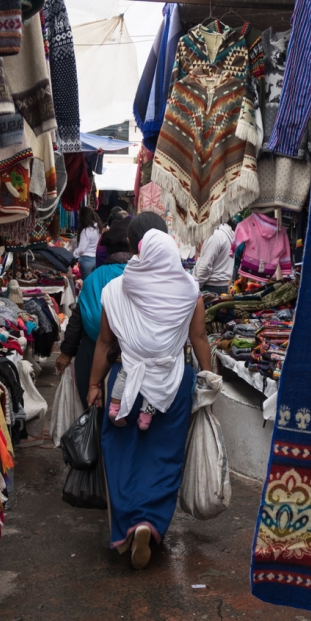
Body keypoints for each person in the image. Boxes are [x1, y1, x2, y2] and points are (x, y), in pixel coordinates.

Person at [87, 213, 212, 570]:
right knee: (163, 457)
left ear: (132, 246)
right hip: (172, 387)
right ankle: (149, 523)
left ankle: (128, 525)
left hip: (124, 385)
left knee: (122, 454)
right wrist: (208, 378)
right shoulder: (190, 289)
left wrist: (95, 384)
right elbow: (199, 338)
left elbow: (104, 342)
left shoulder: (115, 289)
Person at [56, 216, 134, 407]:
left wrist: (66, 353)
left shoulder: (92, 279)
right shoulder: (144, 276)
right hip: (133, 359)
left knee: (93, 414)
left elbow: (77, 320)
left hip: (92, 357)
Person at [193, 222, 235, 295]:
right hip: (221, 285)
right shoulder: (228, 232)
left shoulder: (216, 235)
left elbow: (204, 267)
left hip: (210, 287)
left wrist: (195, 286)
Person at [74, 206, 103, 280]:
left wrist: (73, 255)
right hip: (94, 259)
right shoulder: (97, 229)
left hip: (85, 260)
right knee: (92, 282)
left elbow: (81, 250)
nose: (78, 218)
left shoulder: (86, 231)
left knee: (85, 284)